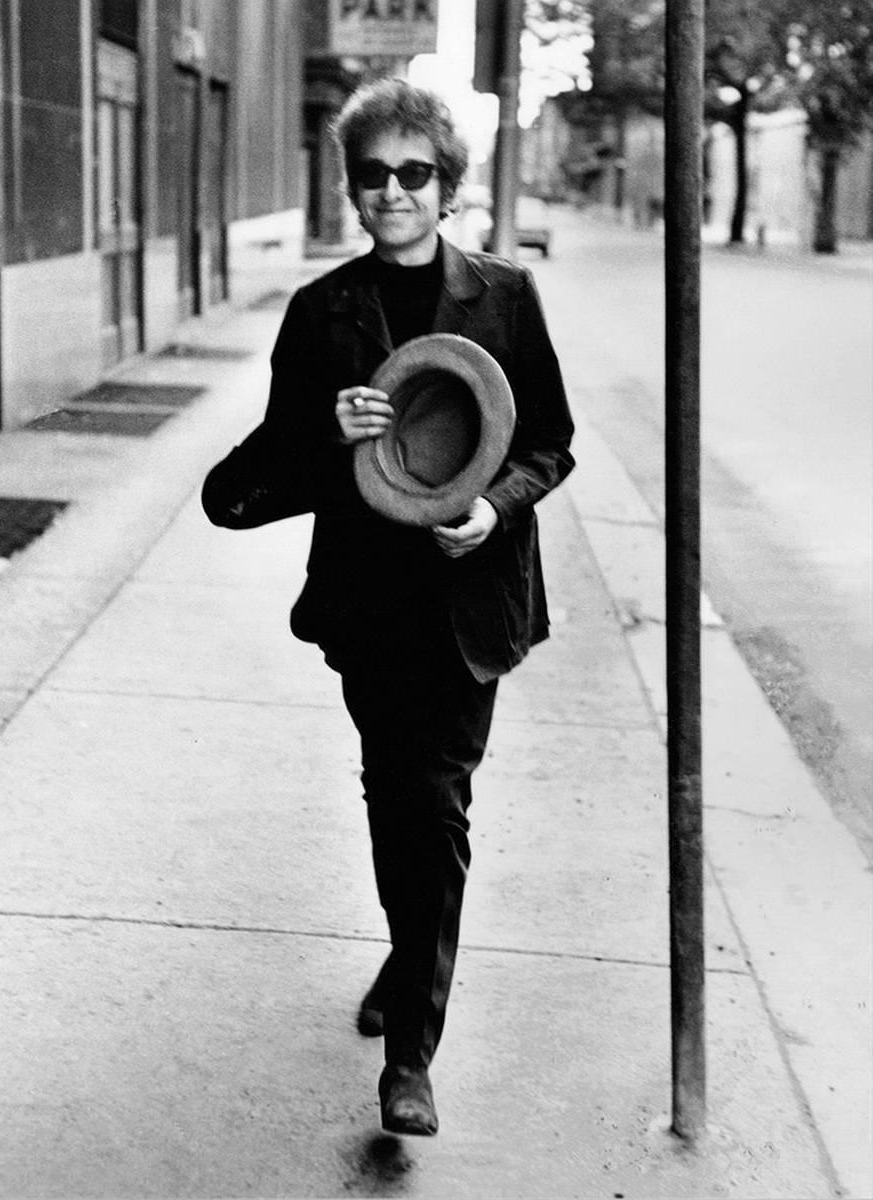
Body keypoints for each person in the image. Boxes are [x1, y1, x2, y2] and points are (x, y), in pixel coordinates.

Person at [204, 78, 575, 1137]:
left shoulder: (504, 297)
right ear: (353, 188)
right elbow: (247, 487)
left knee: (435, 808)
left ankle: (410, 1054)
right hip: (371, 608)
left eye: (415, 172)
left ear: (448, 185)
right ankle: (412, 952)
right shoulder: (321, 313)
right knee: (393, 800)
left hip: (471, 606)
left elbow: (549, 442)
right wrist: (326, 434)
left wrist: (495, 510)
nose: (394, 191)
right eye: (373, 174)